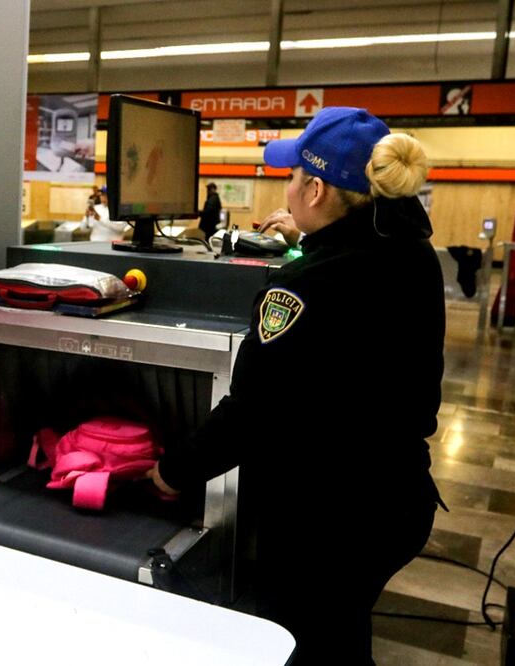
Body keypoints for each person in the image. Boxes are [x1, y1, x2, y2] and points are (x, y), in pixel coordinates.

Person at [149, 107, 444, 663]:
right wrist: (308, 242)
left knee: (304, 644)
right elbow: (357, 314)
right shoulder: (410, 252)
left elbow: (251, 413)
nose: (285, 191)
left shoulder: (306, 287)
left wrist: (171, 472)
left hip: (334, 521)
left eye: (291, 178)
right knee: (343, 631)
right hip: (399, 499)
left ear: (315, 187)